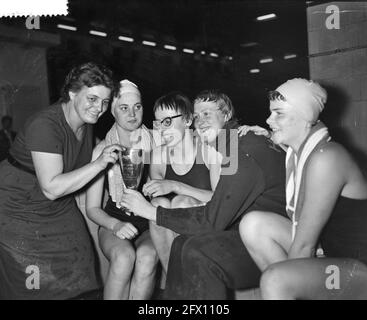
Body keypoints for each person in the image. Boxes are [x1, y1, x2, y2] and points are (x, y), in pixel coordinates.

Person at [119, 89, 287, 299]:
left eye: (208, 113)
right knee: (175, 233)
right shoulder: (228, 143)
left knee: (186, 224)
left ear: (226, 115)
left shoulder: (236, 148)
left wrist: (168, 195)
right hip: (236, 226)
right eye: (198, 115)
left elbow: (215, 213)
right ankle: (177, 289)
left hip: (263, 234)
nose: (201, 120)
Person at [239, 78, 367, 300]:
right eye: (271, 112)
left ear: (306, 117)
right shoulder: (303, 152)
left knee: (276, 279)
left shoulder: (327, 158)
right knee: (254, 224)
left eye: (279, 113)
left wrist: (290, 279)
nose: (269, 119)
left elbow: (305, 245)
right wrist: (265, 135)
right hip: (331, 258)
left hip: (356, 273)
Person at [0, 62, 120, 299]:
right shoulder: (45, 125)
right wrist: (98, 164)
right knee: (33, 282)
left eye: (105, 102)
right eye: (93, 99)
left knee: (81, 261)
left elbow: (87, 159)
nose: (100, 108)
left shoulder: (85, 126)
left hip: (57, 206)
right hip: (17, 206)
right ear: (73, 93)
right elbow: (53, 188)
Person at [86, 80, 158, 300]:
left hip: (148, 222)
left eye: (137, 106)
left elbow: (199, 142)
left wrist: (237, 132)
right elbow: (92, 208)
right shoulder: (102, 150)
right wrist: (115, 225)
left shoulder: (157, 141)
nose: (133, 114)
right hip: (114, 220)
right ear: (113, 112)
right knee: (124, 257)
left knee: (147, 257)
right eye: (124, 108)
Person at [145, 92, 220, 278]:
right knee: (158, 205)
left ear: (187, 120)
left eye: (168, 121)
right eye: (158, 122)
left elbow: (220, 199)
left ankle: (189, 278)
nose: (162, 128)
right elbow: (156, 201)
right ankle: (173, 277)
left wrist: (176, 186)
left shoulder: (209, 149)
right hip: (173, 232)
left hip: (210, 225)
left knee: (181, 202)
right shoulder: (158, 156)